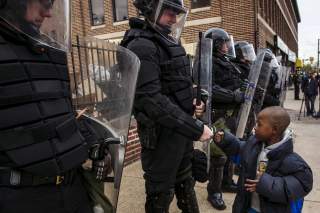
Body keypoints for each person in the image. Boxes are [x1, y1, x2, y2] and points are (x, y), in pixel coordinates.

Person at [0, 1, 114, 212]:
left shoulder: (49, 51)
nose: (50, 12)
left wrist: (90, 141)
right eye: (43, 2)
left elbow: (62, 111)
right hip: (21, 197)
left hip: (73, 189)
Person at [121, 0, 213, 212]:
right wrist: (196, 128)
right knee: (160, 194)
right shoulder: (141, 45)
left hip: (179, 131)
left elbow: (176, 84)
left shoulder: (167, 41)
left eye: (176, 13)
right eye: (168, 11)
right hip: (160, 137)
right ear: (150, 10)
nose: (173, 17)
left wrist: (194, 102)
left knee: (185, 183)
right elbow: (151, 99)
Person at [213, 106, 313, 213]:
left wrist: (266, 184)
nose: (255, 128)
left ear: (274, 129)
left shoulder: (291, 161)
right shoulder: (254, 145)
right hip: (248, 207)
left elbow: (302, 184)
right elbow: (241, 150)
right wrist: (226, 140)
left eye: (259, 124)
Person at [204, 28, 243, 210]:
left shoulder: (226, 62)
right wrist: (234, 96)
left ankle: (226, 182)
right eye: (225, 42)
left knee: (230, 150)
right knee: (219, 156)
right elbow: (209, 88)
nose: (228, 46)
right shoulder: (206, 62)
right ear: (217, 44)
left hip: (231, 115)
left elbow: (234, 83)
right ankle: (214, 191)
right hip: (218, 115)